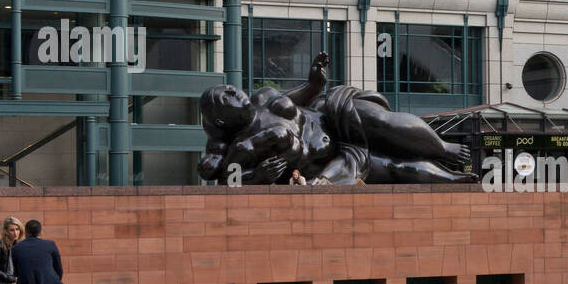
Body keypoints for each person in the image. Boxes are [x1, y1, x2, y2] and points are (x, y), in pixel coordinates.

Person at [197, 52, 476, 185]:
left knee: (384, 123)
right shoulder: (239, 146)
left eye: (229, 88)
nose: (233, 92)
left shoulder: (263, 96)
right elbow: (228, 182)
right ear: (221, 120)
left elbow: (300, 96)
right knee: (396, 168)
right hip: (330, 164)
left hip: (331, 118)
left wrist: (314, 83)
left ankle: (443, 148)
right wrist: (258, 175)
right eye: (226, 98)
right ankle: (452, 179)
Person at [10, 219, 67, 284]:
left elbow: (16, 273)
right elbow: (59, 270)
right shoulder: (51, 245)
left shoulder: (16, 248)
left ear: (26, 232)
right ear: (40, 232)